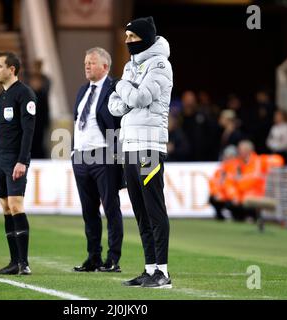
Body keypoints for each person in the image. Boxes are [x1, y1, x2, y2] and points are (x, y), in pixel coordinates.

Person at [109, 16, 173, 288]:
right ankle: (149, 269)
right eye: (126, 38)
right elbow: (115, 107)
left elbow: (139, 98)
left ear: (145, 38)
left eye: (132, 38)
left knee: (154, 209)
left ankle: (163, 272)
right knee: (140, 211)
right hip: (131, 144)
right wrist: (125, 93)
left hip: (149, 144)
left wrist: (118, 86)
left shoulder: (160, 64)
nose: (127, 42)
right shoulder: (131, 67)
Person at [72, 47, 124, 273]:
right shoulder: (83, 90)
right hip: (81, 157)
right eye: (85, 62)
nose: (86, 65)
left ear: (105, 66)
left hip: (104, 155)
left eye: (91, 62)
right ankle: (93, 257)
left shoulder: (115, 89)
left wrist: (116, 153)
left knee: (111, 209)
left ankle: (113, 259)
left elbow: (119, 122)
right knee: (89, 211)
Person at [0, 52, 36, 275]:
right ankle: (14, 262)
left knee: (16, 205)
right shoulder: (1, 97)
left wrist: (22, 161)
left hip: (15, 160)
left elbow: (28, 131)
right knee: (6, 208)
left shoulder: (25, 94)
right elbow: (1, 133)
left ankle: (24, 263)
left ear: (12, 70)